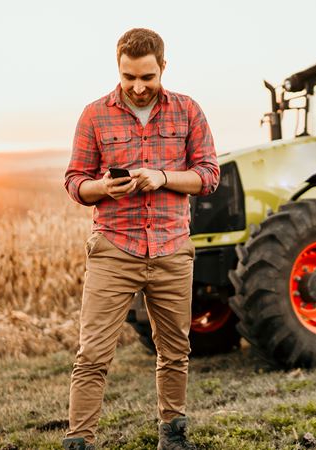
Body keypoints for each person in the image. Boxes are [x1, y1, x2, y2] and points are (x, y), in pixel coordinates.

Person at [62, 28, 219, 450]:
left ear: (163, 67)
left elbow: (209, 175)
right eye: (129, 76)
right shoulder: (94, 115)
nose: (137, 86)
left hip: (171, 248)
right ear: (119, 69)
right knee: (92, 354)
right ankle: (79, 441)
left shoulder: (188, 111)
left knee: (175, 351)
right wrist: (102, 189)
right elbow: (75, 181)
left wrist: (163, 177)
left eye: (147, 77)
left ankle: (173, 438)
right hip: (114, 247)